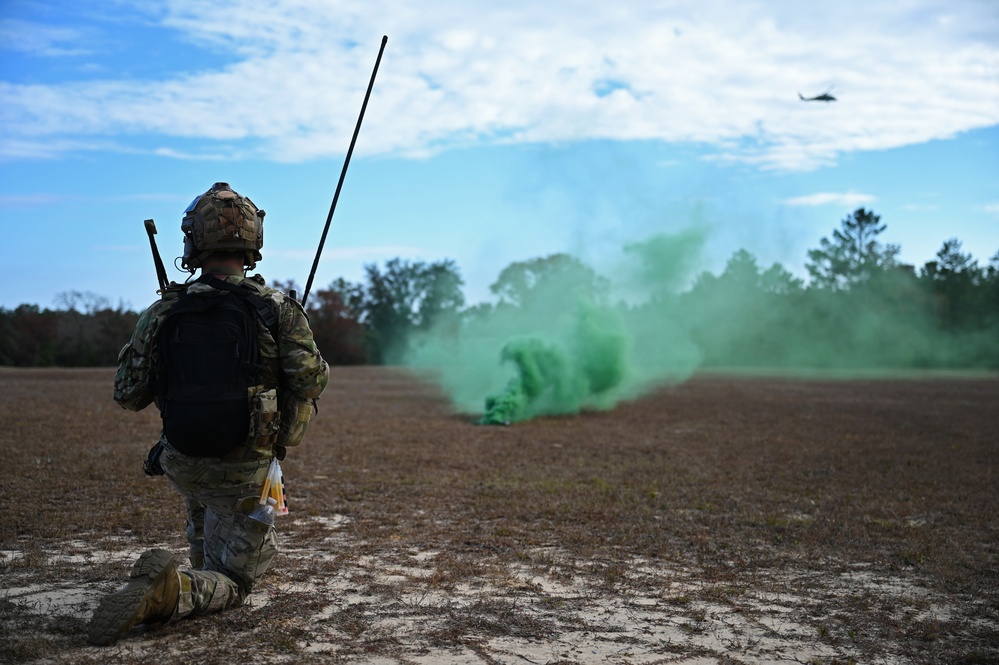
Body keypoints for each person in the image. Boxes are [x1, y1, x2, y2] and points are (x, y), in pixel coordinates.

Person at [88, 182, 329, 646]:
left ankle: (196, 570)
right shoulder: (277, 308)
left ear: (193, 242)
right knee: (238, 583)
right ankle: (172, 589)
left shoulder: (165, 309)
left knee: (206, 501)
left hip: (182, 461)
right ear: (254, 241)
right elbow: (312, 382)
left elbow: (128, 395)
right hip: (247, 471)